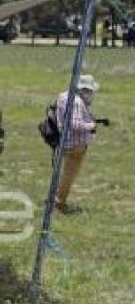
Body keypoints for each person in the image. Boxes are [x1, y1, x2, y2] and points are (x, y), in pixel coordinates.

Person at [54, 74, 100, 215]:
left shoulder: (63, 96)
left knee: (63, 174)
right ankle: (60, 203)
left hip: (65, 141)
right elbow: (74, 124)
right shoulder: (77, 101)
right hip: (76, 144)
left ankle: (56, 199)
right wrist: (91, 126)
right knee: (69, 175)